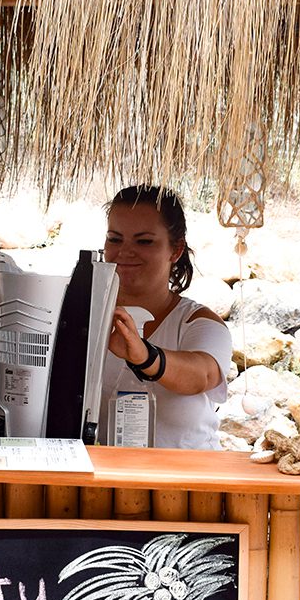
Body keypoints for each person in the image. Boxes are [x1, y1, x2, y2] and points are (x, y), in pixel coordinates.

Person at [99, 185, 232, 450]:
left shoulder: (200, 323)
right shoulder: (85, 316)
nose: (125, 252)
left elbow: (202, 375)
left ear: (176, 249)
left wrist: (145, 356)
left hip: (186, 483)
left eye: (144, 241)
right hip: (103, 479)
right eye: (115, 239)